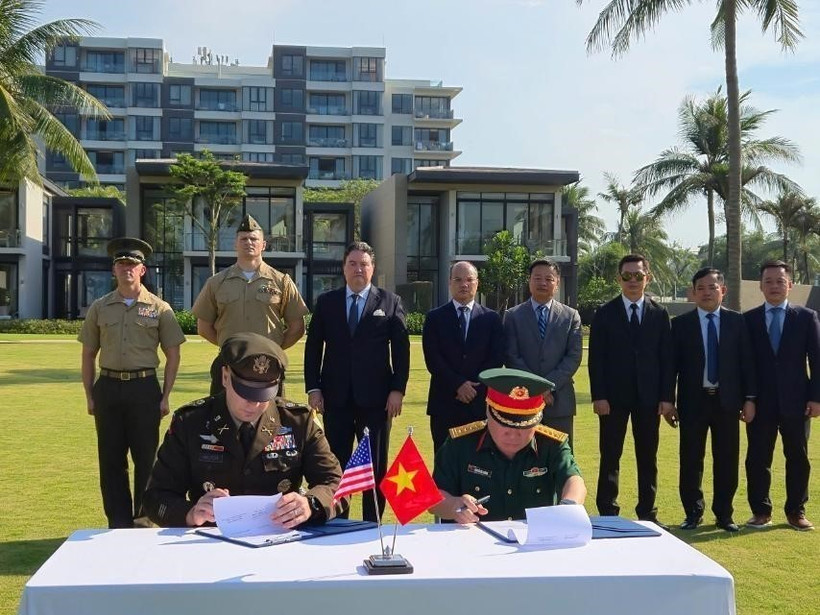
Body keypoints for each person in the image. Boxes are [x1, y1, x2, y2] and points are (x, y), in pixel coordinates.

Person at [143, 332, 346, 527]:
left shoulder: (298, 422)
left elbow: (339, 484)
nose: (254, 404)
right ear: (225, 377)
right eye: (245, 392)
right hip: (210, 542)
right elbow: (156, 497)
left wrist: (309, 504)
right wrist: (190, 513)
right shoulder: (190, 422)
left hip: (280, 543)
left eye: (263, 395)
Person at [79, 237, 186, 528]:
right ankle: (118, 519)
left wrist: (165, 396)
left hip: (143, 388)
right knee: (111, 459)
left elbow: (173, 355)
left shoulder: (160, 309)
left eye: (132, 264)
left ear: (143, 270)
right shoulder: (100, 308)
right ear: (113, 270)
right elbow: (88, 354)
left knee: (146, 458)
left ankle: (144, 516)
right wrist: (90, 395)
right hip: (109, 388)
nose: (127, 269)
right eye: (121, 264)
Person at [303, 241, 410, 522]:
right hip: (334, 399)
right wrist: (313, 387)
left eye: (364, 264)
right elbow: (313, 347)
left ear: (373, 268)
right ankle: (339, 520)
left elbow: (401, 351)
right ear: (343, 268)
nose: (358, 269)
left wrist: (397, 390)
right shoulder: (327, 302)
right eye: (353, 263)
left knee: (375, 467)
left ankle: (371, 522)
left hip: (376, 401)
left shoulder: (390, 302)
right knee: (336, 464)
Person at [431, 367, 586, 523]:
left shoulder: (551, 444)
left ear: (537, 420)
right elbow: (433, 498)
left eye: (524, 426)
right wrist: (454, 506)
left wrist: (569, 506)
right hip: (473, 540)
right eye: (504, 424)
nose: (513, 434)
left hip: (533, 542)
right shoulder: (460, 444)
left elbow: (574, 481)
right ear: (488, 412)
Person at [588, 254, 675, 529]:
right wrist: (598, 396)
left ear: (647, 278)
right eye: (627, 276)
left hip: (649, 400)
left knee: (647, 457)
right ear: (619, 279)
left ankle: (647, 512)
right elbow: (597, 359)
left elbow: (667, 360)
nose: (633, 281)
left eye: (638, 275)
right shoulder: (605, 313)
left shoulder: (659, 313)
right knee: (610, 456)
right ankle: (607, 511)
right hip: (612, 399)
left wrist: (666, 398)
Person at [670, 268, 757, 532]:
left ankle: (724, 514)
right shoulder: (681, 325)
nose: (707, 293)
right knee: (690, 459)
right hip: (693, 402)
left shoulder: (737, 322)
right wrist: (668, 400)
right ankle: (693, 513)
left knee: (727, 459)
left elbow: (747, 364)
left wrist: (750, 399)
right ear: (693, 293)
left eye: (712, 287)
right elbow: (671, 366)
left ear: (723, 290)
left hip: (728, 402)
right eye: (701, 288)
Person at [192, 213, 308, 395]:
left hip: (267, 364)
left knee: (271, 419)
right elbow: (204, 327)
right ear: (235, 244)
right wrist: (231, 347)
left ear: (263, 245)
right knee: (224, 419)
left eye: (254, 238)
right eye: (243, 238)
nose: (249, 242)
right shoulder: (216, 282)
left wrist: (271, 348)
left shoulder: (281, 281)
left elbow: (297, 327)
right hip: (229, 364)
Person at [743, 260, 820, 531]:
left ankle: (796, 511)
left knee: (797, 457)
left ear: (790, 285)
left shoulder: (806, 317)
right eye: (768, 281)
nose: (774, 286)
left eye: (780, 281)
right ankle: (761, 511)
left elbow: (817, 359)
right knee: (757, 457)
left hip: (797, 402)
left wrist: (816, 397)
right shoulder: (748, 319)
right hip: (760, 403)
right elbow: (745, 363)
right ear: (761, 286)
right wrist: (748, 399)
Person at [422, 261, 504, 455]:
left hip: (479, 403)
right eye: (458, 280)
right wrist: (458, 384)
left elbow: (496, 358)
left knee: (479, 463)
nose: (464, 284)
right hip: (444, 403)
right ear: (450, 283)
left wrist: (473, 387)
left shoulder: (491, 319)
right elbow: (433, 359)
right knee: (444, 462)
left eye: (469, 280)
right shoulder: (435, 318)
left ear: (477, 283)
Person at [504, 258, 583, 447]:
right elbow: (511, 356)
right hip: (523, 401)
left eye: (548, 279)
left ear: (557, 283)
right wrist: (536, 388)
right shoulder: (513, 316)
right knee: (524, 458)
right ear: (529, 281)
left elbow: (573, 357)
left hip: (559, 401)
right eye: (537, 278)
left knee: (560, 458)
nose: (542, 283)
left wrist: (548, 386)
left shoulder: (570, 316)